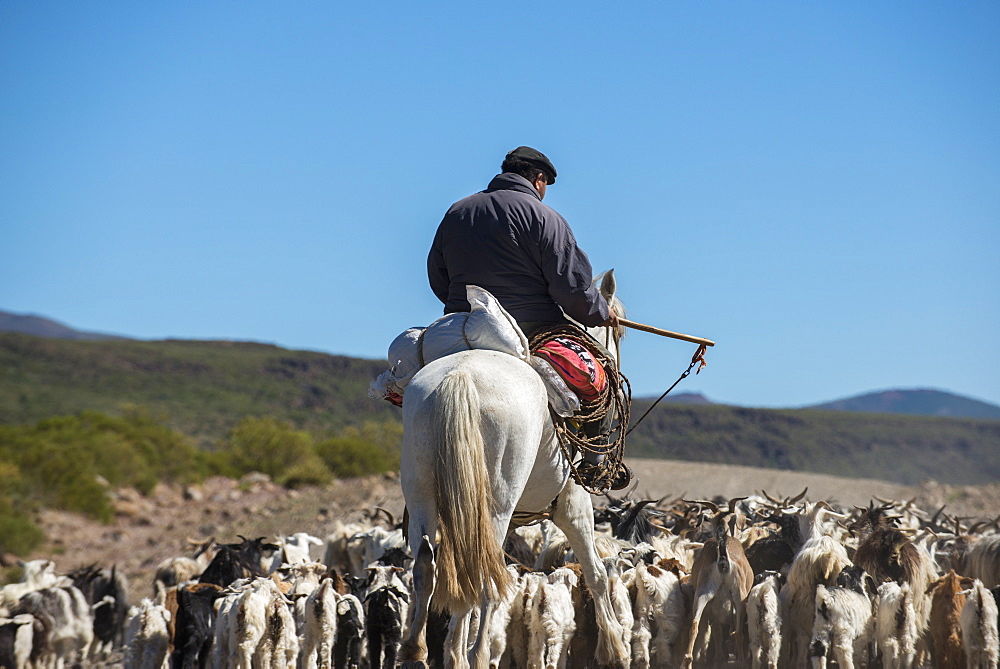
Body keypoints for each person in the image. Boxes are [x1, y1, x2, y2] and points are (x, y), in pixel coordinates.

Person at [427, 146, 626, 489]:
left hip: (460, 324)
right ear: (537, 179)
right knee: (603, 371)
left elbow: (437, 276)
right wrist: (598, 312)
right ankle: (597, 463)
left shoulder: (457, 211)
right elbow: (573, 290)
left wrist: (465, 306)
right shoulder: (545, 218)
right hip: (530, 326)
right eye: (545, 183)